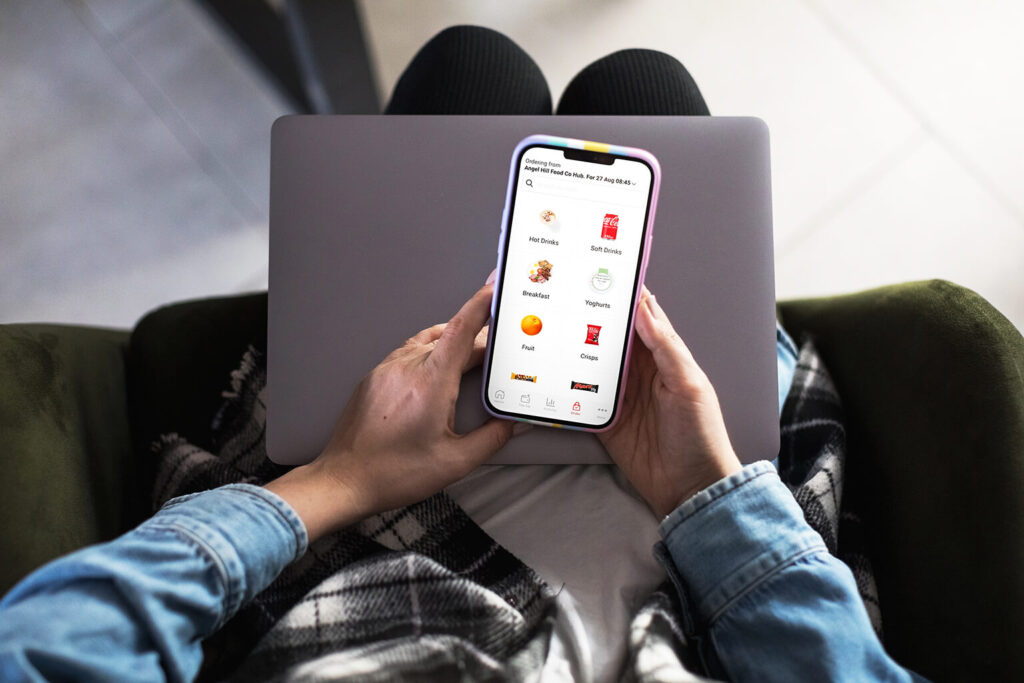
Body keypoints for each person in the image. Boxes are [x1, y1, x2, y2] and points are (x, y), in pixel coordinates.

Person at [0, 27, 924, 682]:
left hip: (368, 527)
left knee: (473, 70)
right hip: (692, 536)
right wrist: (700, 497)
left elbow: (47, 644)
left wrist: (340, 477)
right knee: (641, 88)